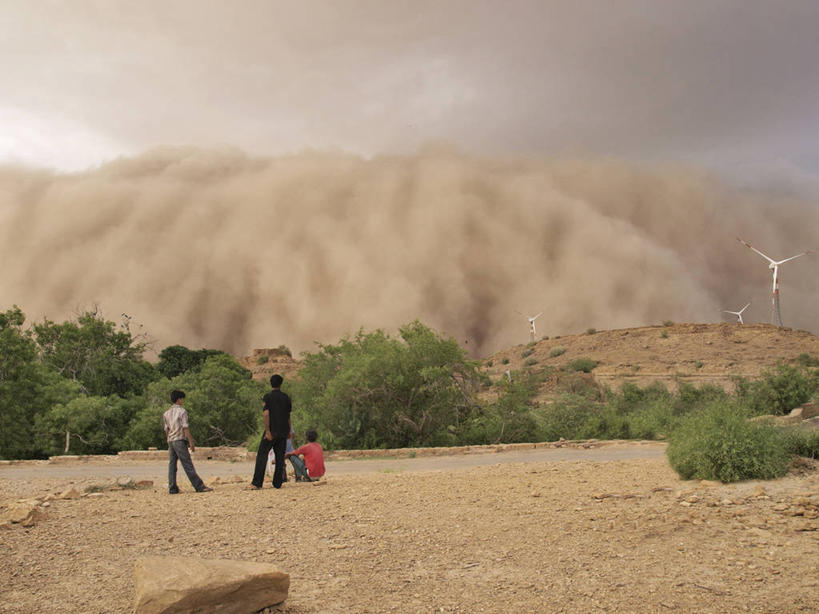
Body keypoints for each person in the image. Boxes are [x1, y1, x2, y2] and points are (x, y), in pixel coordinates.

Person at [162, 390, 213, 494]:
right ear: (179, 399)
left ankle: (172, 488)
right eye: (182, 399)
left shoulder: (166, 413)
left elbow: (166, 429)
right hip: (179, 440)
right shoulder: (182, 412)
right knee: (187, 464)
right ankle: (199, 486)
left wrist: (168, 441)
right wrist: (191, 442)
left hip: (171, 441)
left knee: (172, 465)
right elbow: (185, 427)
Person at [250, 374, 291, 489]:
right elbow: (288, 416)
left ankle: (257, 483)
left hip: (272, 431)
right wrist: (289, 430)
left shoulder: (267, 397)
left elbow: (266, 414)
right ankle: (277, 483)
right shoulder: (286, 398)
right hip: (283, 431)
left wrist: (267, 431)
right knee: (280, 457)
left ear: (271, 383)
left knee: (262, 455)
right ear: (281, 384)